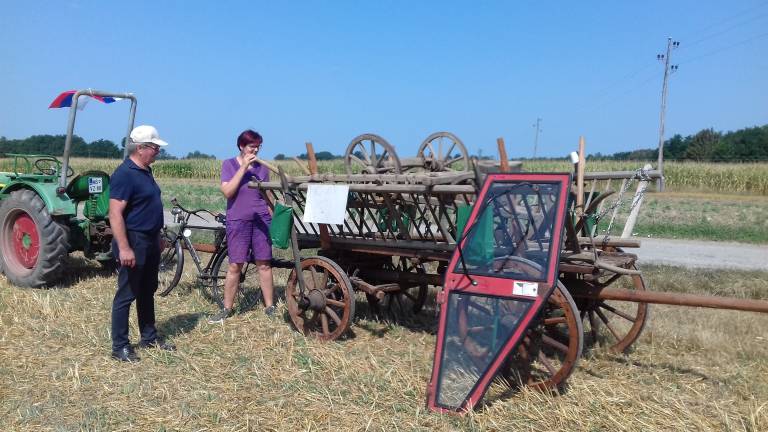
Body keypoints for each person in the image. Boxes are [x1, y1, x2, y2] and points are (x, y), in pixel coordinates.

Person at [109, 125, 176, 362]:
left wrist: (157, 237)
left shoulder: (145, 171)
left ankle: (149, 337)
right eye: (155, 147)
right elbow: (115, 214)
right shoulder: (125, 174)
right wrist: (124, 247)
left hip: (149, 240)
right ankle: (120, 347)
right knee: (127, 294)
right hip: (134, 240)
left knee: (147, 290)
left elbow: (146, 207)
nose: (158, 151)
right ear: (140, 148)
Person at [208, 129, 275, 324]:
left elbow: (268, 196)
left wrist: (273, 217)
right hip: (238, 220)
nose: (256, 150)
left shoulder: (263, 168)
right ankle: (227, 308)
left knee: (264, 263)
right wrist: (243, 167)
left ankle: (269, 306)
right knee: (235, 265)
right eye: (252, 146)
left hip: (261, 220)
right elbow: (228, 192)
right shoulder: (229, 165)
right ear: (241, 146)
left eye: (258, 147)